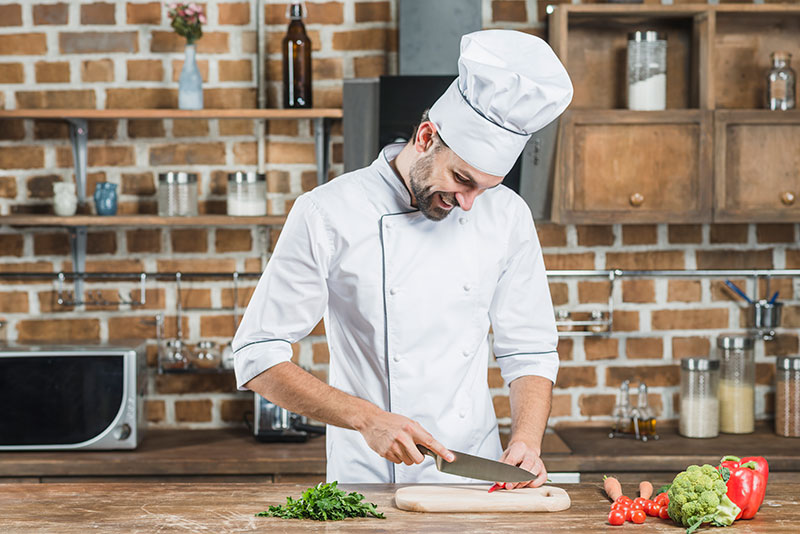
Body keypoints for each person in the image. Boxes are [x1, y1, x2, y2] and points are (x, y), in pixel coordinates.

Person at [233, 29, 573, 487]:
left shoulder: (508, 216)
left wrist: (527, 442)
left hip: (476, 480)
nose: (469, 203)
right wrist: (366, 418)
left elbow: (529, 349)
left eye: (484, 189)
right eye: (461, 179)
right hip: (369, 480)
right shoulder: (327, 212)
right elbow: (257, 356)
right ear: (427, 135)